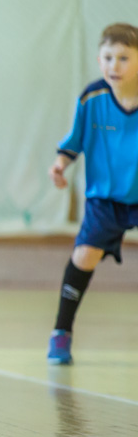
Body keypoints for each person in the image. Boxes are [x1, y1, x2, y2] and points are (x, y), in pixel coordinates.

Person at [47, 22, 138, 365]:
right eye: (108, 58)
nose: (115, 65)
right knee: (84, 256)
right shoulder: (92, 98)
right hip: (105, 198)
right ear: (99, 61)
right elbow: (74, 142)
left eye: (124, 58)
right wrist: (60, 165)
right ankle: (61, 332)